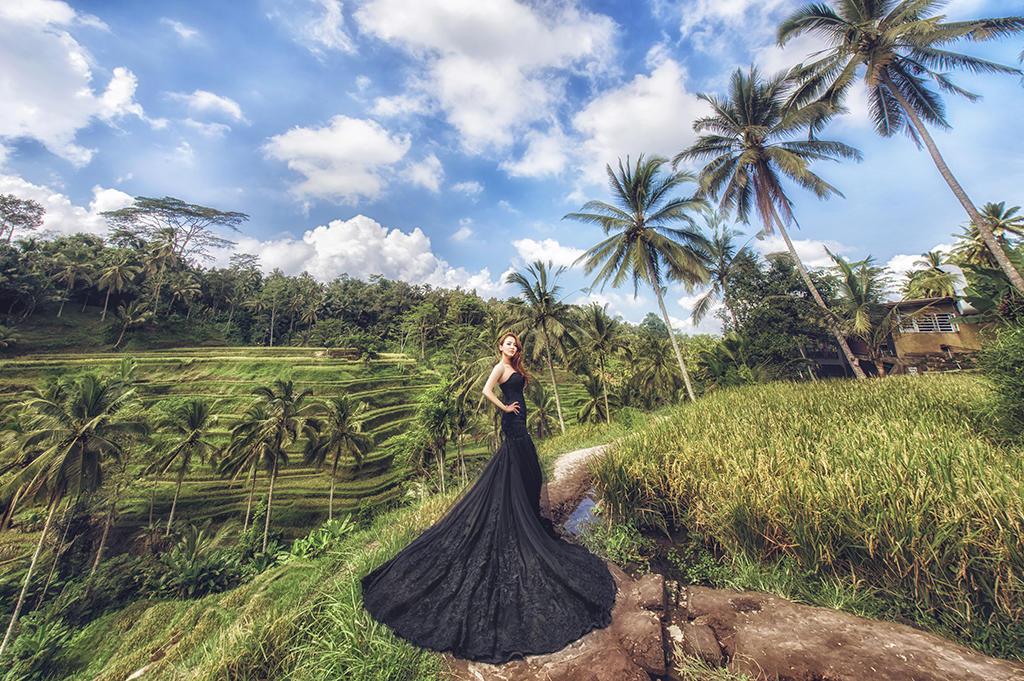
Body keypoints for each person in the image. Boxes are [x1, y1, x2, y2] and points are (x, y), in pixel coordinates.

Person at [360, 332, 617, 664]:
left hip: (520, 421)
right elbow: (485, 390)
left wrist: (517, 407)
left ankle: (523, 518)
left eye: (515, 344)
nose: (512, 348)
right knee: (517, 470)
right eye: (508, 344)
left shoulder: (517, 367)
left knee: (530, 474)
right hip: (513, 423)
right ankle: (514, 522)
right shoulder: (499, 367)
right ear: (500, 347)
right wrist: (505, 407)